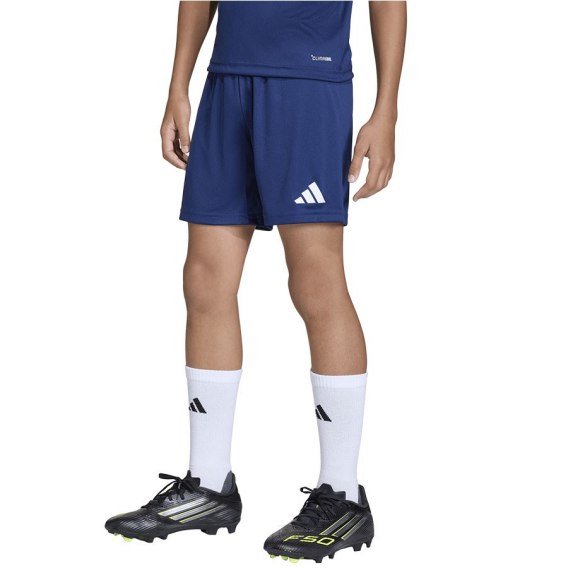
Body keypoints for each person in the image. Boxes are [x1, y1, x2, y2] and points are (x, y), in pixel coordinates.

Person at [105, 1, 406, 562]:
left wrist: (385, 110)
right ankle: (208, 485)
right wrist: (178, 85)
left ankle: (342, 494)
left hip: (308, 83)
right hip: (227, 80)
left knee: (317, 283)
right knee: (204, 279)